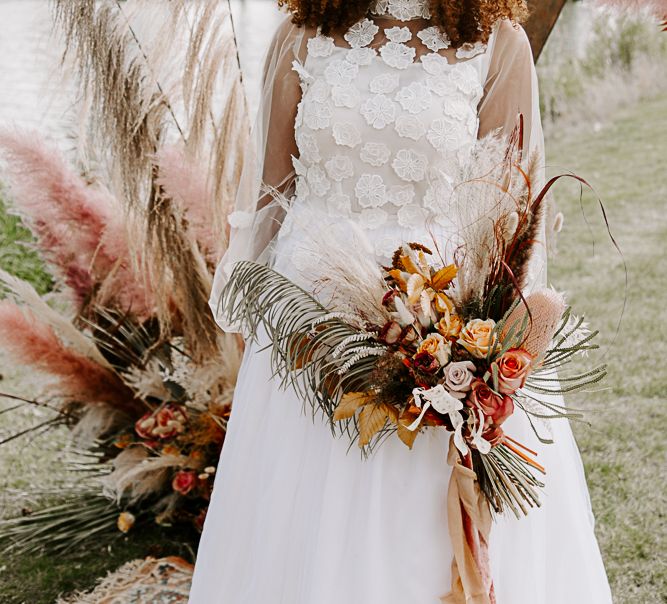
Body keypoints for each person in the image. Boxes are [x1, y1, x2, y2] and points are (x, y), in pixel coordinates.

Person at [189, 1, 612, 602]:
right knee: (304, 528)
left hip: (444, 323)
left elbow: (511, 219)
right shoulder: (303, 32)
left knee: (418, 529)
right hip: (311, 330)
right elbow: (270, 196)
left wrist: (489, 359)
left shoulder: (498, 42)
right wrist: (255, 306)